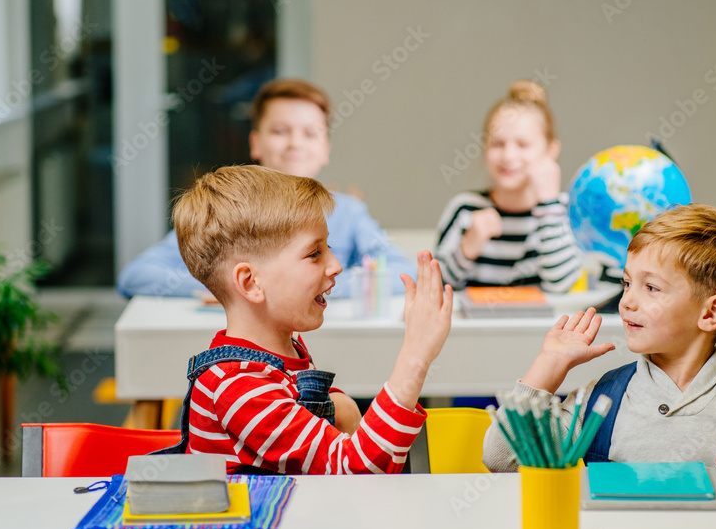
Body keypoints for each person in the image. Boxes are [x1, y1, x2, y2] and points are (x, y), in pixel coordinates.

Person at [166, 165, 452, 474]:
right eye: (314, 253)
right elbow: (355, 471)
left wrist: (341, 407)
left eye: (328, 247)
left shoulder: (286, 352)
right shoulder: (238, 386)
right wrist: (415, 357)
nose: (336, 265)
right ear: (250, 283)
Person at [482, 203, 716, 471]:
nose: (627, 301)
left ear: (711, 313)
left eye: (651, 288)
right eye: (627, 282)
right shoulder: (602, 399)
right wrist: (548, 365)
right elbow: (501, 457)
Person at [117, 78, 415, 299]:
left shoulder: (348, 211)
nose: (295, 143)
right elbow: (136, 276)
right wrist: (230, 288)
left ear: (325, 148)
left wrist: (303, 287)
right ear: (256, 143)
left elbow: (403, 273)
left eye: (310, 133)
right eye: (280, 131)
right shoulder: (226, 209)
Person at [434, 80, 583, 293]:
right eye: (497, 144)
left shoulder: (564, 211)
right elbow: (436, 286)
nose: (508, 156)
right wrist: (466, 249)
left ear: (551, 151)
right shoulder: (464, 209)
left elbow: (561, 283)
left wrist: (549, 204)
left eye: (523, 145)